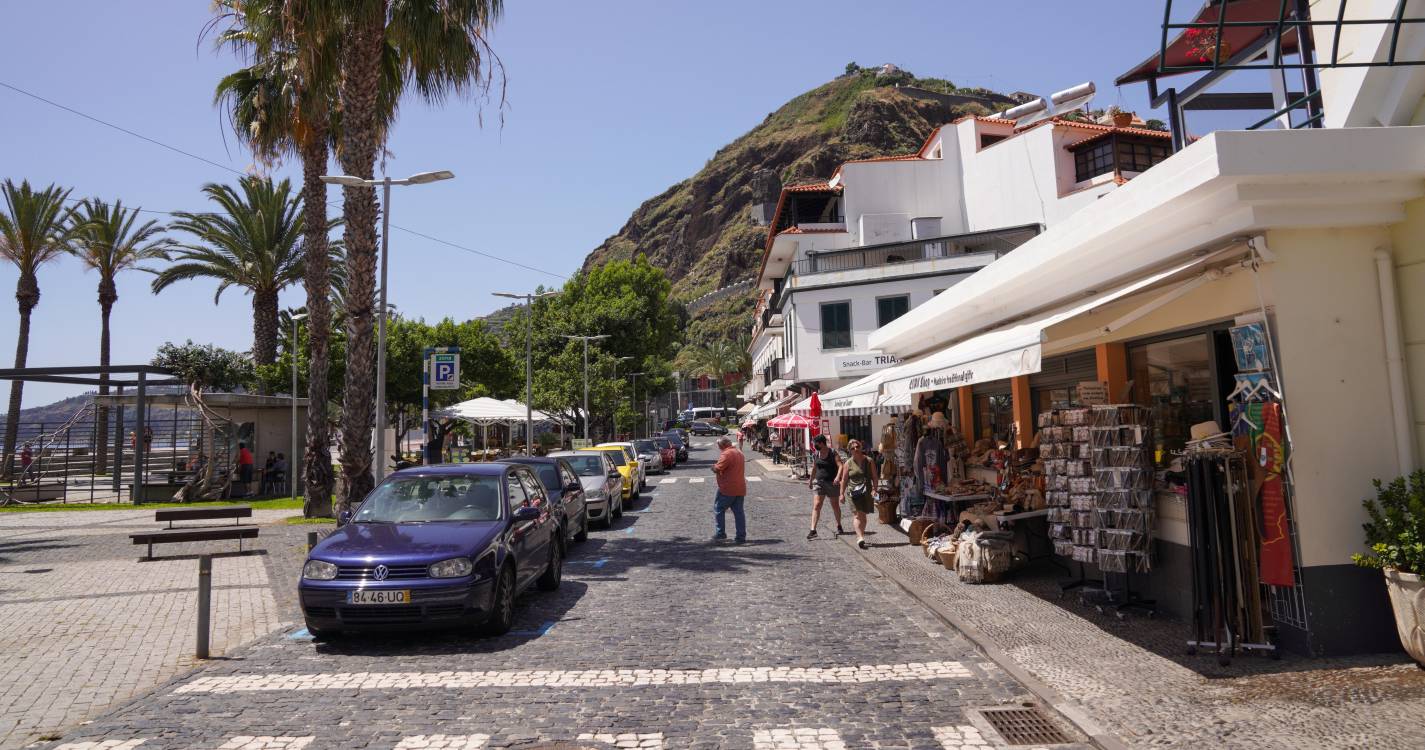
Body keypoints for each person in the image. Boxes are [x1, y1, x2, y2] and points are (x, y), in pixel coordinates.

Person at [836, 439, 879, 550]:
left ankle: (861, 536)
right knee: (857, 515)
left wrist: (875, 489)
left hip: (866, 491)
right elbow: (844, 480)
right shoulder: (848, 463)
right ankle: (859, 537)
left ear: (861, 447)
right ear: (850, 451)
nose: (855, 449)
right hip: (853, 492)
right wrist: (841, 494)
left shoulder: (869, 461)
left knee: (863, 516)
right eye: (852, 448)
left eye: (857, 447)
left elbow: (874, 476)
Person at [807, 434, 844, 540]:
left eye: (816, 444)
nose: (814, 446)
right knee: (817, 505)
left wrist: (837, 477)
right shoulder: (816, 454)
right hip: (819, 483)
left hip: (832, 483)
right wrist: (810, 481)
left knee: (835, 506)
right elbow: (814, 468)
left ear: (822, 443)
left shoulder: (832, 453)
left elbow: (840, 465)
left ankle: (839, 525)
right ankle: (813, 530)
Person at [711, 435, 747, 543]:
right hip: (740, 487)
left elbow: (718, 468)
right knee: (739, 513)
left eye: (719, 446)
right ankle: (741, 537)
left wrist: (713, 467)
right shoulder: (739, 452)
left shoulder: (726, 454)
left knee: (719, 509)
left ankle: (720, 533)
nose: (719, 448)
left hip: (727, 488)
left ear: (723, 445)